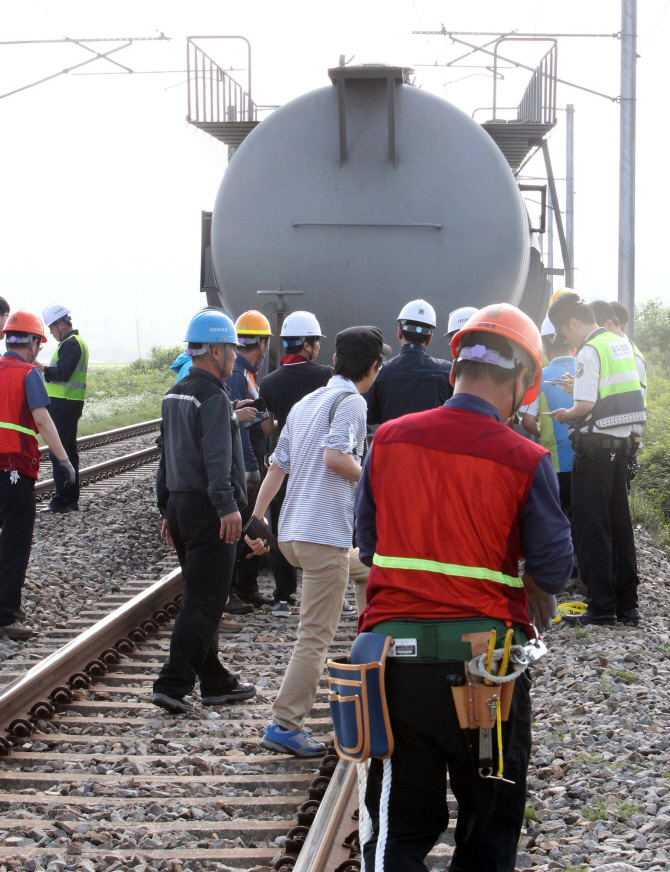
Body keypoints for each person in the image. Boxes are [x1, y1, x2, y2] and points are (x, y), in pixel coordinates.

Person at [354, 303, 573, 872]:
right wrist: (525, 583)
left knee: (400, 826)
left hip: (398, 674)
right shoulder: (526, 458)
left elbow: (368, 544)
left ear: (454, 370)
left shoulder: (390, 442)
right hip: (486, 674)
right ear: (524, 382)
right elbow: (553, 568)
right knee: (487, 824)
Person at [247, 326, 383, 757]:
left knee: (378, 568)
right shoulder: (352, 402)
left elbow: (277, 466)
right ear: (373, 367)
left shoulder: (308, 402)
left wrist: (255, 517)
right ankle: (285, 724)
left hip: (293, 534)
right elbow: (336, 457)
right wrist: (379, 483)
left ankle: (375, 662)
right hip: (322, 537)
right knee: (315, 636)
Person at [152, 308, 256, 714]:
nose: (234, 357)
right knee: (205, 602)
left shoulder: (175, 393)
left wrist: (166, 507)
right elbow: (217, 459)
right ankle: (172, 683)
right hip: (210, 511)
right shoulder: (213, 396)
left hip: (181, 506)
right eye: (230, 349)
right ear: (215, 350)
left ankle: (215, 681)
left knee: (202, 596)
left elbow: (167, 458)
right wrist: (227, 507)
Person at [547, 292, 646, 627]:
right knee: (620, 527)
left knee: (592, 528)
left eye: (566, 332)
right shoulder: (622, 344)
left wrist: (565, 413)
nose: (569, 341)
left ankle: (601, 605)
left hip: (593, 452)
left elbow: (586, 406)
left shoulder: (590, 349)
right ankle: (627, 604)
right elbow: (616, 395)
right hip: (620, 450)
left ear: (574, 322)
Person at [1, 310, 75, 640]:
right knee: (15, 541)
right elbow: (43, 420)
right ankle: (6, 614)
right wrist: (63, 461)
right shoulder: (29, 373)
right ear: (32, 342)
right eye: (38, 345)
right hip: (15, 468)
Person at [258, 311, 332, 617]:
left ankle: (283, 598)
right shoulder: (326, 376)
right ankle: (331, 595)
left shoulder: (269, 382)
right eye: (315, 342)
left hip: (286, 466)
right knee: (325, 530)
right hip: (322, 467)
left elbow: (268, 428)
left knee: (283, 528)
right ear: (307, 345)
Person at [224, 310, 274, 611]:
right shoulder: (239, 376)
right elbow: (237, 426)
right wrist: (249, 469)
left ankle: (246, 585)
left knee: (250, 528)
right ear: (262, 344)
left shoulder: (245, 374)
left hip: (250, 460)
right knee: (242, 529)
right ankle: (233, 589)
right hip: (245, 465)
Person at [34, 304, 88, 514]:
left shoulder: (72, 344)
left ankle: (62, 500)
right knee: (66, 451)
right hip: (66, 403)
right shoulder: (70, 343)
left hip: (64, 404)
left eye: (51, 328)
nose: (50, 332)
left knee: (60, 453)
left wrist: (39, 366)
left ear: (61, 324)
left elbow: (62, 373)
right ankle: (69, 499)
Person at [521, 316, 575, 521]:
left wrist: (544, 430)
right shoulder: (587, 369)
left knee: (559, 515)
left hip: (557, 462)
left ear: (545, 344)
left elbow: (527, 422)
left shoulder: (540, 377)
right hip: (589, 459)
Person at [366, 299, 452, 425]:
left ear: (399, 332)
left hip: (392, 443)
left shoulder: (381, 371)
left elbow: (371, 416)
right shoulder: (445, 371)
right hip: (432, 444)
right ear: (430, 338)